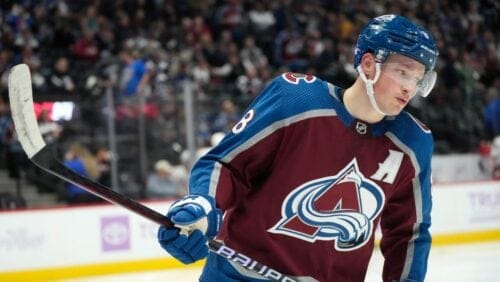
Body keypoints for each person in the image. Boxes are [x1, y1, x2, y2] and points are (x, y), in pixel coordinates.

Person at [157, 14, 438, 282]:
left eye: (417, 79)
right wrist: (204, 202)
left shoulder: (412, 143)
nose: (409, 89)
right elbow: (227, 164)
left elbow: (410, 233)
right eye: (403, 72)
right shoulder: (297, 100)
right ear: (368, 65)